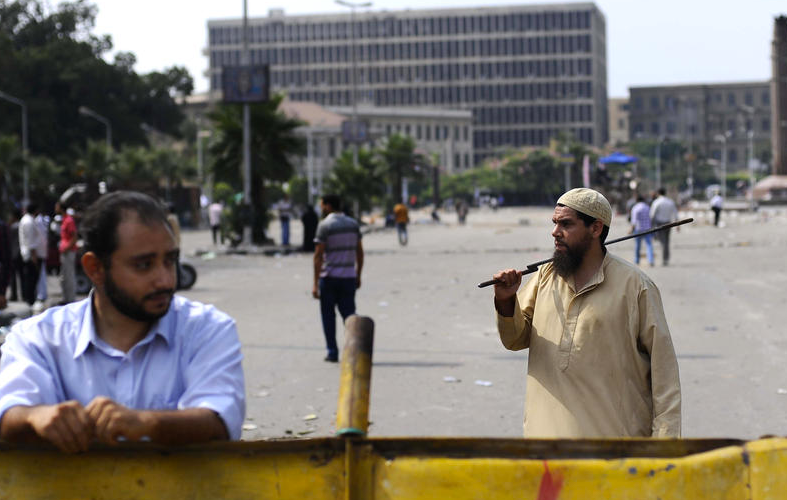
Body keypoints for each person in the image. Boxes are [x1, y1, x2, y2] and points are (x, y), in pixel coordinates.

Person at [0, 191, 245, 453]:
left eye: (170, 260)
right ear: (95, 268)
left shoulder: (208, 329)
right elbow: (9, 413)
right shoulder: (38, 337)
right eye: (144, 265)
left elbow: (218, 418)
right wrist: (35, 417)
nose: (164, 280)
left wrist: (146, 423)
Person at [491, 188, 681, 438]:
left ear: (596, 229)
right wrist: (505, 301)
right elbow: (515, 339)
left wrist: (663, 448)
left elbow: (664, 375)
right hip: (544, 448)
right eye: (555, 223)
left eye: (566, 224)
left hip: (614, 451)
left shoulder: (636, 286)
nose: (555, 232)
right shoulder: (545, 278)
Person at [312, 194, 364, 363]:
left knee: (328, 316)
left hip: (329, 278)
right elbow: (360, 252)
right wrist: (358, 274)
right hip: (348, 277)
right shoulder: (353, 224)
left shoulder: (325, 225)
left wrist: (315, 283)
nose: (321, 208)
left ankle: (332, 352)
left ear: (328, 206)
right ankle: (356, 350)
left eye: (322, 205)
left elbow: (318, 256)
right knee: (349, 316)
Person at [18, 203, 44, 308]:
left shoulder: (27, 220)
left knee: (31, 279)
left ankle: (30, 300)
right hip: (31, 256)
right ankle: (30, 301)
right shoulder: (28, 221)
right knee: (32, 279)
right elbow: (31, 242)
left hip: (29, 254)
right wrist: (34, 257)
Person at [650, 188, 679, 266]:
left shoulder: (656, 202)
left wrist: (651, 226)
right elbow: (675, 213)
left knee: (663, 242)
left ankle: (664, 259)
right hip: (668, 223)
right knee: (666, 241)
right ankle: (666, 258)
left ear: (658, 193)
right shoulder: (670, 202)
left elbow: (652, 215)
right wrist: (678, 225)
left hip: (660, 224)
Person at [57, 203, 78, 304]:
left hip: (69, 252)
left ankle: (71, 300)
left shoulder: (69, 220)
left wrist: (67, 248)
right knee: (64, 277)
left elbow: (74, 237)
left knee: (69, 277)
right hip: (65, 252)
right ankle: (66, 298)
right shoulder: (64, 220)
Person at [630, 195, 654, 267]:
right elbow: (651, 217)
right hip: (647, 228)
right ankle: (650, 260)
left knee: (638, 246)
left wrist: (631, 229)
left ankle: (637, 260)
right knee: (649, 245)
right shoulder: (647, 207)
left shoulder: (635, 208)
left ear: (636, 200)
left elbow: (634, 220)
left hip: (638, 229)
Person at [7, 209, 22, 303]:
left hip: (13, 253)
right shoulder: (21, 225)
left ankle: (14, 295)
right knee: (22, 276)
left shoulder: (12, 227)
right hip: (21, 253)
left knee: (13, 276)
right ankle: (24, 295)